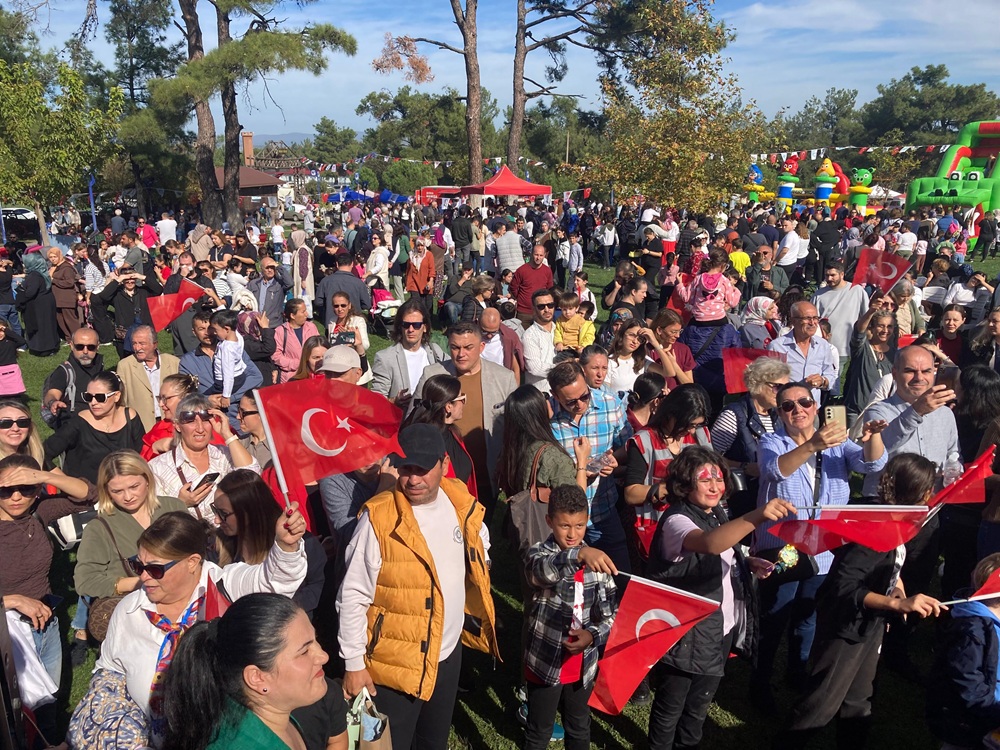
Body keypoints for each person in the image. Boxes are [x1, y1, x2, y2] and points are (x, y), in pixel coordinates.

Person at [70, 508, 308, 745]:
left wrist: (286, 548)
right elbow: (111, 671)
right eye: (137, 565)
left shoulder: (226, 589)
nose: (143, 577)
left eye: (155, 569)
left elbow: (273, 581)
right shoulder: (129, 610)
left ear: (192, 562)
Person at [337, 424, 499, 750]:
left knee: (432, 742)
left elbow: (479, 538)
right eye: (406, 468)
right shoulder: (376, 519)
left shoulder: (458, 500)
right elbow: (352, 595)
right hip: (393, 666)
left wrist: (483, 562)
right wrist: (353, 664)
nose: (413, 479)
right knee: (382, 745)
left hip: (447, 655)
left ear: (443, 464)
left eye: (422, 470)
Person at [776, 454, 945, 747]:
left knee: (858, 702)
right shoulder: (876, 529)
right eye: (932, 487)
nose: (934, 494)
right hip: (844, 628)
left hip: (869, 626)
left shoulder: (896, 521)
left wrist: (897, 590)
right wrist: (896, 605)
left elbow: (891, 566)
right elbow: (843, 586)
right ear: (919, 491)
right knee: (820, 705)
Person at [750, 381, 887, 711]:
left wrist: (873, 438)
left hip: (824, 547)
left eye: (804, 402)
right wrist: (812, 444)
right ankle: (760, 682)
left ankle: (797, 671)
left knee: (808, 614)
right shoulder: (773, 441)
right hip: (781, 546)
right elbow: (773, 471)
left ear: (816, 406)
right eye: (788, 406)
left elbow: (873, 465)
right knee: (773, 617)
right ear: (779, 413)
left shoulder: (836, 443)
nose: (798, 409)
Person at [646, 446, 795, 750]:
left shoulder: (714, 512)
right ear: (685, 484)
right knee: (671, 706)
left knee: (698, 707)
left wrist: (747, 561)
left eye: (719, 478)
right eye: (705, 480)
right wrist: (756, 516)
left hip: (715, 630)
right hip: (685, 632)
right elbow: (711, 543)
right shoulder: (676, 521)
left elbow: (724, 547)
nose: (715, 485)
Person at [161, 593, 348, 750]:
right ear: (257, 678)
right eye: (305, 651)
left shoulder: (265, 714)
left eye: (315, 640)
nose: (323, 656)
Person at [523, 485, 617, 750]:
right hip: (544, 660)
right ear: (549, 521)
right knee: (538, 729)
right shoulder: (539, 553)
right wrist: (577, 555)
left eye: (579, 525)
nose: (573, 534)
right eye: (565, 526)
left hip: (582, 663)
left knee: (578, 724)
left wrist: (592, 635)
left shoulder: (599, 565)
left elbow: (610, 615)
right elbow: (539, 573)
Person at [0, 453, 95, 702]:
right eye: (6, 491)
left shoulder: (39, 511)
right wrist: (12, 600)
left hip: (46, 626)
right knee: (17, 715)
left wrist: (44, 475)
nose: (17, 497)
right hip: (7, 634)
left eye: (26, 488)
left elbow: (89, 495)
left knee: (50, 702)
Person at [414, 322, 518, 518]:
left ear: (481, 347)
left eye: (468, 347)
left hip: (486, 475)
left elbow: (514, 429)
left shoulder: (504, 378)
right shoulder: (433, 375)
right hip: (444, 476)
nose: (461, 354)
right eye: (455, 347)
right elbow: (414, 421)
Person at [548, 360, 631, 572]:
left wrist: (615, 460)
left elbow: (628, 447)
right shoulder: (548, 421)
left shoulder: (610, 404)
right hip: (565, 521)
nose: (580, 405)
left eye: (584, 396)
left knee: (619, 571)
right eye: (571, 402)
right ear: (555, 396)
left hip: (603, 507)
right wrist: (582, 466)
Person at [211, 470, 326, 617]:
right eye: (214, 510)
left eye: (223, 513)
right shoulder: (216, 547)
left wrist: (280, 612)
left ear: (249, 512)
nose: (216, 520)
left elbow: (319, 585)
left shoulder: (298, 544)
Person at [149, 393, 260, 523]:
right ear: (177, 425)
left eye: (206, 419)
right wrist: (180, 503)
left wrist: (227, 434)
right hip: (187, 540)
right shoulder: (157, 467)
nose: (200, 428)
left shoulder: (224, 455)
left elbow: (252, 475)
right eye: (190, 420)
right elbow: (153, 517)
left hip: (226, 539)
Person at [927, 552, 1000, 748]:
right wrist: (993, 713)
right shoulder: (972, 633)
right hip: (972, 722)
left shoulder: (992, 624)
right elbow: (968, 681)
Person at [710, 357, 791, 517]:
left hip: (775, 497)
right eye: (777, 387)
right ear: (758, 384)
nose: (782, 393)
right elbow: (710, 457)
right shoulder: (733, 415)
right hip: (743, 499)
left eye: (785, 387)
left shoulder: (780, 415)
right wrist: (745, 467)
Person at [43, 371, 144, 484]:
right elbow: (42, 454)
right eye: (88, 397)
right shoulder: (78, 423)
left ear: (116, 396)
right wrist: (68, 483)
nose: (93, 402)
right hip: (88, 497)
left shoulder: (130, 417)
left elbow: (144, 456)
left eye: (100, 397)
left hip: (126, 494)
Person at [179, 310, 264, 427]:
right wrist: (206, 400)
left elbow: (256, 377)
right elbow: (184, 395)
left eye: (210, 328)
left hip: (238, 420)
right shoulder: (187, 361)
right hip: (209, 423)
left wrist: (229, 397)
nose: (207, 333)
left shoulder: (232, 348)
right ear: (194, 332)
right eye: (201, 329)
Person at [403, 374, 479, 496]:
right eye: (462, 398)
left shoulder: (453, 433)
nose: (464, 403)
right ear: (449, 406)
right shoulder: (425, 444)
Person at [371, 299, 447, 405]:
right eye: (406, 325)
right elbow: (375, 400)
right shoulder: (385, 358)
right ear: (400, 326)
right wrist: (394, 401)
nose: (411, 329)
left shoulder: (435, 351)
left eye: (416, 325)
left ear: (425, 327)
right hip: (403, 417)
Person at [767, 301, 837, 403]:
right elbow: (769, 380)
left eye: (815, 318)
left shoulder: (822, 345)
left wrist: (822, 381)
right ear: (793, 321)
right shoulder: (777, 347)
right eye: (807, 318)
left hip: (812, 409)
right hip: (786, 409)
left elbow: (830, 373)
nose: (813, 323)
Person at [117, 325, 181, 432]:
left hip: (172, 424)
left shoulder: (174, 363)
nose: (137, 348)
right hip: (141, 427)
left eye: (142, 343)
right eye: (134, 343)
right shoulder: (125, 366)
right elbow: (122, 402)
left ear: (154, 344)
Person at [41, 327, 106, 428]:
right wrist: (53, 402)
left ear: (98, 346)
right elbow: (52, 393)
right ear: (71, 346)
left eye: (91, 347)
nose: (85, 351)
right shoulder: (64, 371)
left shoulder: (99, 365)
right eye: (80, 347)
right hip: (73, 426)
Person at [844, 300, 896, 424]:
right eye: (881, 326)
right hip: (858, 412)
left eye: (889, 326)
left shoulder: (895, 354)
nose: (885, 330)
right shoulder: (861, 348)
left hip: (883, 413)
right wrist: (871, 311)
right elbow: (859, 331)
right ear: (872, 327)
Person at [812, 261, 870, 372]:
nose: (829, 278)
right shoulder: (819, 294)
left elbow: (866, 315)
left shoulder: (856, 290)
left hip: (846, 345)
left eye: (833, 275)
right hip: (824, 345)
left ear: (842, 274)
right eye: (827, 275)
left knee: (837, 382)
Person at [98, 263, 164, 357]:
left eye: (132, 279)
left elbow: (158, 290)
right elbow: (103, 296)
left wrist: (142, 277)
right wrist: (118, 280)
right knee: (127, 362)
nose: (129, 282)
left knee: (147, 357)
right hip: (124, 335)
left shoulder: (143, 291)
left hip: (144, 332)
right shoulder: (117, 294)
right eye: (126, 280)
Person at [16, 250, 60, 356]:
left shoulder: (34, 275)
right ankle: (52, 346)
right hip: (46, 302)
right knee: (48, 325)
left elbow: (30, 293)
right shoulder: (42, 272)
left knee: (42, 326)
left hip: (39, 305)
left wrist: (21, 288)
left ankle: (44, 349)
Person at [271, 298, 321, 384]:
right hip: (291, 378)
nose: (307, 314)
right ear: (292, 316)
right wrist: (294, 364)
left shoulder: (311, 327)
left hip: (312, 376)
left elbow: (319, 347)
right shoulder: (280, 331)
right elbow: (275, 355)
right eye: (303, 311)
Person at [523, 288, 558, 392]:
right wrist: (563, 369)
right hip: (541, 393)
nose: (547, 310)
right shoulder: (529, 336)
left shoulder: (560, 329)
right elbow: (534, 368)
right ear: (534, 309)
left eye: (550, 305)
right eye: (541, 307)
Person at [510, 245, 555, 326]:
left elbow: (549, 290)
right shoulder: (522, 270)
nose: (538, 258)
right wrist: (521, 299)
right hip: (524, 312)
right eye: (536, 255)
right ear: (531, 254)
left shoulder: (547, 271)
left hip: (541, 311)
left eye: (541, 255)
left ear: (544, 256)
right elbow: (513, 287)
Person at [319, 253, 372, 319]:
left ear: (337, 264)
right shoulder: (359, 283)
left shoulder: (325, 281)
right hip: (353, 321)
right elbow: (366, 305)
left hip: (332, 321)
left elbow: (318, 302)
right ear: (352, 264)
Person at [47, 246, 81, 342]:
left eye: (55, 256)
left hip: (66, 298)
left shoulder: (66, 267)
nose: (53, 259)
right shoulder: (54, 268)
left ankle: (78, 337)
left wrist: (54, 280)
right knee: (61, 320)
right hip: (57, 299)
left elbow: (69, 282)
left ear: (59, 256)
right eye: (51, 257)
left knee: (70, 319)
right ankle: (69, 338)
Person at [405, 235, 436, 313]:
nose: (420, 248)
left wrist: (431, 281)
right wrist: (407, 282)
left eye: (422, 245)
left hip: (425, 283)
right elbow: (408, 269)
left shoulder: (429, 255)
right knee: (416, 304)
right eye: (418, 245)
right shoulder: (411, 255)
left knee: (427, 305)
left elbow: (432, 269)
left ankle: (428, 322)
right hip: (413, 282)